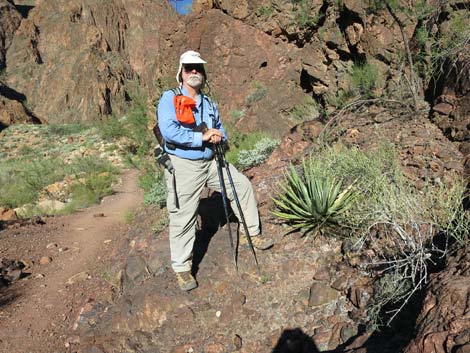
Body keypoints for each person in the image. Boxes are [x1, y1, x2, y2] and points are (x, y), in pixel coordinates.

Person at [157, 50, 273, 291]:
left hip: (212, 160)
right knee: (183, 215)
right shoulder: (169, 98)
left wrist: (220, 136)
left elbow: (219, 126)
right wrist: (201, 136)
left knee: (241, 186)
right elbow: (169, 131)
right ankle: (182, 268)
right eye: (189, 68)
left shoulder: (208, 102)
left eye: (198, 68)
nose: (194, 72)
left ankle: (253, 234)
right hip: (184, 164)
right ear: (181, 72)